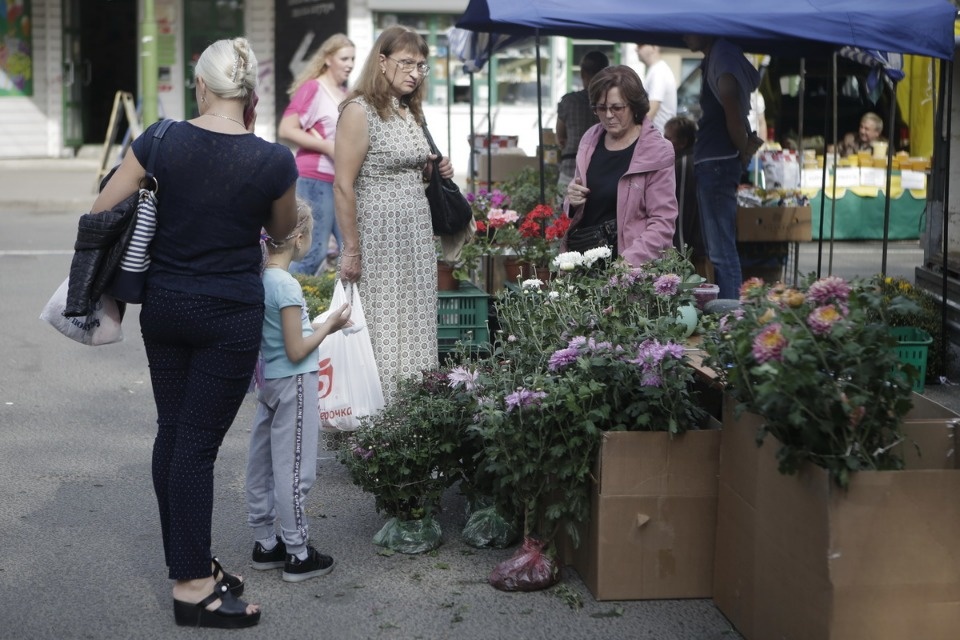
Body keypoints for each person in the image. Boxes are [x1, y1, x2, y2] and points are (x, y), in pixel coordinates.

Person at [91, 37, 299, 629]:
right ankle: (192, 586)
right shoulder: (273, 160)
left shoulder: (159, 139)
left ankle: (190, 561)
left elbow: (104, 207)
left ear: (200, 85)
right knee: (196, 447)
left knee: (174, 434)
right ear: (252, 95)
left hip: (165, 307)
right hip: (228, 314)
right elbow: (282, 234)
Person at [333, 25, 454, 404]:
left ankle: (410, 416)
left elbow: (407, 165)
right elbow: (342, 184)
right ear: (382, 62)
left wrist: (433, 168)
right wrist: (351, 249)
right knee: (382, 326)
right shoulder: (359, 111)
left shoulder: (408, 110)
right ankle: (376, 420)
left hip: (414, 235)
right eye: (406, 63)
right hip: (378, 236)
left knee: (415, 324)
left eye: (421, 65)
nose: (415, 72)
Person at [245, 199, 351, 584]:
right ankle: (298, 553)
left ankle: (265, 542)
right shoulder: (286, 284)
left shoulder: (259, 276)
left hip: (270, 380)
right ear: (301, 237)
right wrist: (330, 326)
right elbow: (297, 348)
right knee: (294, 470)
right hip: (296, 381)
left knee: (262, 462)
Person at [563, 65, 678, 267]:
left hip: (631, 271)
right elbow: (576, 199)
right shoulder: (590, 139)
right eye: (601, 108)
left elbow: (662, 222)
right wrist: (572, 200)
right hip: (585, 264)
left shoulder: (657, 150)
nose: (608, 115)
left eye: (617, 108)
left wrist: (629, 262)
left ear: (634, 106)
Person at [682, 34, 763, 299]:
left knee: (721, 251)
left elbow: (733, 114)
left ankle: (731, 318)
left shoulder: (723, 55)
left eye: (688, 27)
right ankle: (730, 316)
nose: (683, 35)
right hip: (715, 162)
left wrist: (743, 150)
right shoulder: (718, 55)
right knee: (719, 250)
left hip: (717, 163)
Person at [279, 33, 356, 276]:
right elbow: (286, 129)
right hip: (315, 179)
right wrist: (329, 148)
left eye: (353, 59)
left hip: (341, 182)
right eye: (344, 58)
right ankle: (289, 307)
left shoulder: (345, 93)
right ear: (327, 59)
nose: (350, 64)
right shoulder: (314, 88)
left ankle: (343, 311)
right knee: (311, 255)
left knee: (351, 252)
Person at [663, 116, 710, 279]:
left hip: (691, 248)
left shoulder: (683, 164)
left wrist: (680, 252)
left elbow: (682, 211)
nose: (664, 142)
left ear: (682, 142)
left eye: (668, 138)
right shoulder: (694, 159)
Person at [556, 51, 610, 190]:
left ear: (582, 73)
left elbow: (561, 138)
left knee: (563, 211)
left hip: (570, 168)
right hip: (602, 170)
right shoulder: (611, 103)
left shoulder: (568, 101)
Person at [635, 44, 678, 134]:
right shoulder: (656, 70)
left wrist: (636, 132)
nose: (636, 49)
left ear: (654, 47)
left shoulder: (659, 72)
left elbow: (652, 109)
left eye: (640, 45)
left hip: (658, 136)